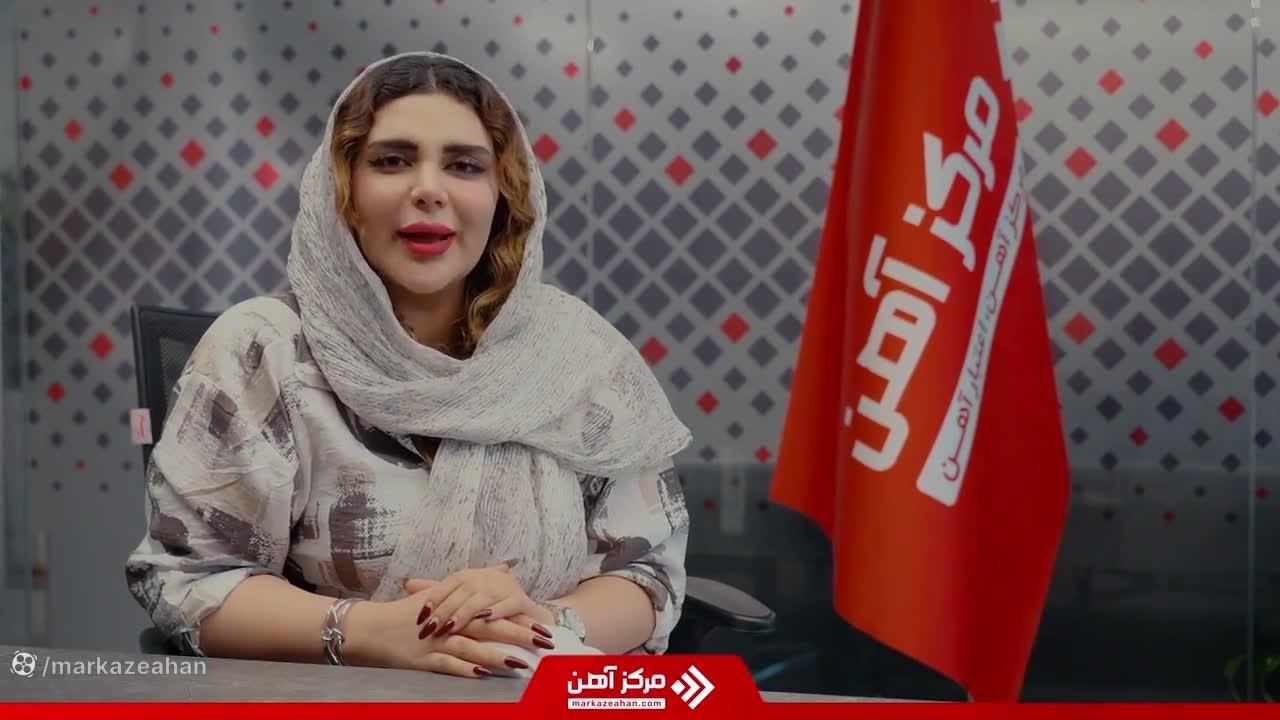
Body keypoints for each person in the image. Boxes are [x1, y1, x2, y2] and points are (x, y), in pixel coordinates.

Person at [124, 51, 693, 679]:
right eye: (391, 161)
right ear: (342, 190)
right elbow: (191, 581)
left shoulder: (581, 357)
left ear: (504, 195)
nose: (429, 189)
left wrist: (544, 623)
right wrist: (372, 633)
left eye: (464, 165)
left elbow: (647, 574)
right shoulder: (265, 350)